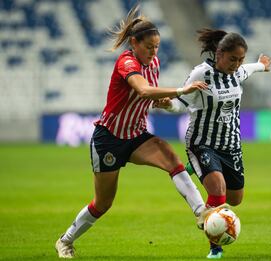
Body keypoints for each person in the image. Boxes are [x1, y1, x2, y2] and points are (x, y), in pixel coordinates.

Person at [54, 5, 209, 258]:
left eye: (157, 47)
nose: (153, 52)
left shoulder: (154, 62)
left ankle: (202, 212)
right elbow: (144, 90)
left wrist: (163, 103)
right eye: (149, 47)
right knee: (103, 204)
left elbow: (148, 97)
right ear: (134, 43)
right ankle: (65, 240)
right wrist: (181, 91)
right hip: (109, 139)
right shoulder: (126, 61)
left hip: (136, 135)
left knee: (171, 159)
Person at [155, 28, 271, 259]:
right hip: (202, 142)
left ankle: (194, 169)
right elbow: (182, 102)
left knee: (235, 199)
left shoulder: (238, 73)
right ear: (219, 54)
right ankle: (214, 246)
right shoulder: (201, 74)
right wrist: (168, 104)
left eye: (240, 60)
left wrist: (261, 65)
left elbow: (249, 69)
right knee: (217, 191)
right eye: (232, 59)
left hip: (231, 145)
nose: (237, 64)